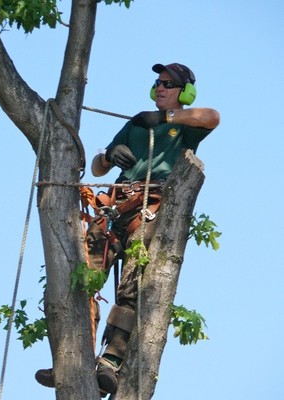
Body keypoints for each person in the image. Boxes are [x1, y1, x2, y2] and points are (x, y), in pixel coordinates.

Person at [35, 62, 220, 396]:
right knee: (80, 276)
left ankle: (110, 361)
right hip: (117, 205)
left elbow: (211, 117)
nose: (160, 87)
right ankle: (71, 358)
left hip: (151, 207)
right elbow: (96, 166)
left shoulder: (185, 125)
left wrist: (166, 119)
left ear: (185, 92)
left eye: (169, 83)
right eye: (158, 82)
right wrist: (108, 156)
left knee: (132, 285)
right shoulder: (136, 125)